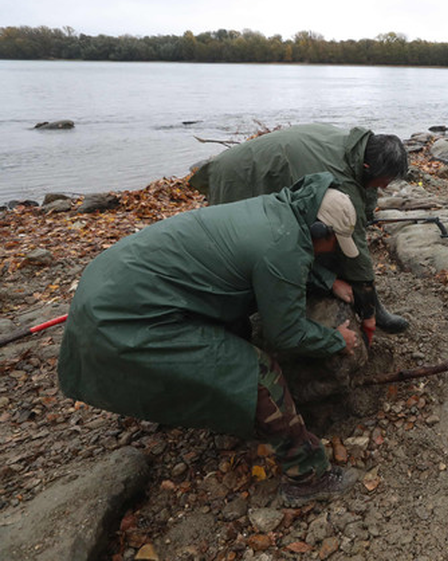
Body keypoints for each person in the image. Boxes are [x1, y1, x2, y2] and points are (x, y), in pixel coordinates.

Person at [58, 173, 363, 506]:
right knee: (258, 373)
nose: (332, 249)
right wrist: (336, 339)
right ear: (320, 230)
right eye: (334, 242)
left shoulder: (278, 209)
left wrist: (325, 279)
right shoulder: (283, 244)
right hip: (121, 318)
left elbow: (273, 260)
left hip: (110, 278)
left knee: (232, 340)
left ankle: (223, 410)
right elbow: (286, 332)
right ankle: (307, 477)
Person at [188, 123, 410, 338]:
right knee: (237, 253)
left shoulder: (358, 149)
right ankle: (234, 326)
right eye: (385, 180)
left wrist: (365, 216)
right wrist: (370, 312)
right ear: (367, 167)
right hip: (240, 174)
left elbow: (364, 192)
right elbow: (354, 241)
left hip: (271, 160)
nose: (385, 187)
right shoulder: (337, 173)